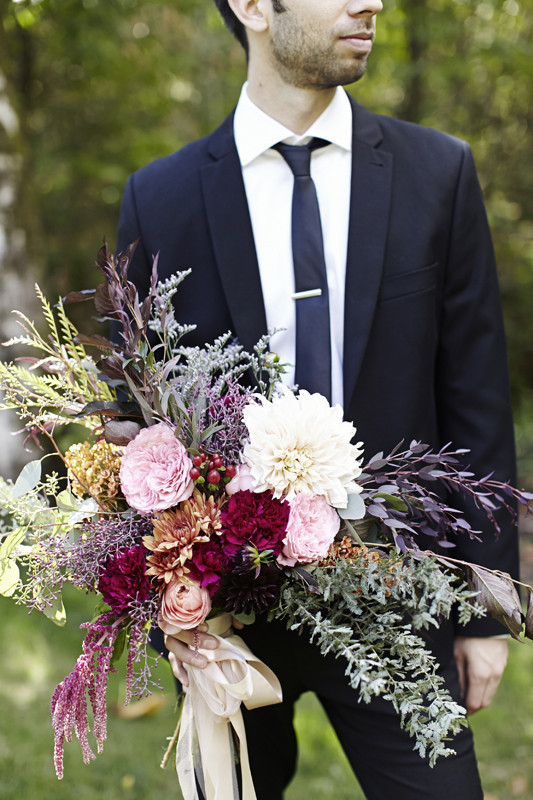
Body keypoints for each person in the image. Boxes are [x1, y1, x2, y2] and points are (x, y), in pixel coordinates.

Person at [116, 1, 519, 797]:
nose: (367, 1)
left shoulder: (436, 173)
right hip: (228, 607)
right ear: (254, 7)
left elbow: (474, 393)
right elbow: (139, 418)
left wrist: (482, 609)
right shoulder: (158, 197)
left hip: (396, 592)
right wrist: (176, 598)